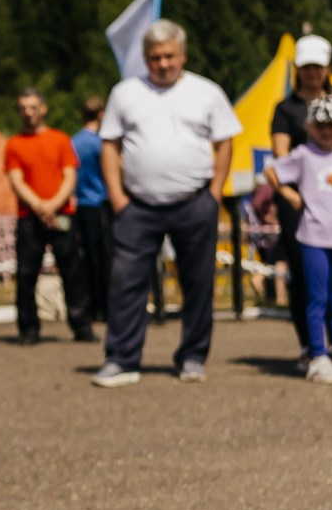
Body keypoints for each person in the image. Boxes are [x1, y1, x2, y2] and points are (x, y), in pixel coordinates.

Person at [90, 20, 240, 387]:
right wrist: (118, 197)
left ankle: (192, 356)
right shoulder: (125, 93)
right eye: (155, 57)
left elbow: (225, 141)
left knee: (198, 283)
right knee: (126, 283)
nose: (163, 63)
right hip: (137, 206)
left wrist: (215, 192)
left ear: (182, 55)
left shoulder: (207, 92)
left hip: (194, 201)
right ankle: (122, 359)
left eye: (170, 56)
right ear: (144, 58)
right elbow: (109, 145)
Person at [267, 96, 332, 385]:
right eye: (321, 125)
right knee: (317, 299)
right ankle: (317, 355)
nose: (327, 131)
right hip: (313, 236)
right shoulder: (303, 154)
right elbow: (272, 170)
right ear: (310, 127)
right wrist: (290, 195)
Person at [270, 35, 332, 368]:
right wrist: (293, 196)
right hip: (300, 206)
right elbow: (279, 158)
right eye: (305, 67)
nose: (311, 73)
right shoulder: (285, 109)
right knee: (304, 277)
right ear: (297, 70)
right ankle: (310, 346)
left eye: (317, 67)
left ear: (328, 68)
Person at [3, 88, 92, 343]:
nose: (28, 113)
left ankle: (81, 326)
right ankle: (29, 329)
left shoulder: (60, 139)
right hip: (29, 218)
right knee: (26, 274)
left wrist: (53, 205)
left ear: (43, 108)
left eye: (33, 107)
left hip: (61, 214)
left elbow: (70, 176)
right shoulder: (14, 144)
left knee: (73, 271)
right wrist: (40, 206)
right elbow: (16, 180)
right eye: (23, 108)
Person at [71, 95, 110, 327]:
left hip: (81, 206)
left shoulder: (74, 141)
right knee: (106, 260)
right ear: (101, 114)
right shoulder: (101, 143)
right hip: (101, 204)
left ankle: (92, 307)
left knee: (87, 260)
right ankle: (105, 308)